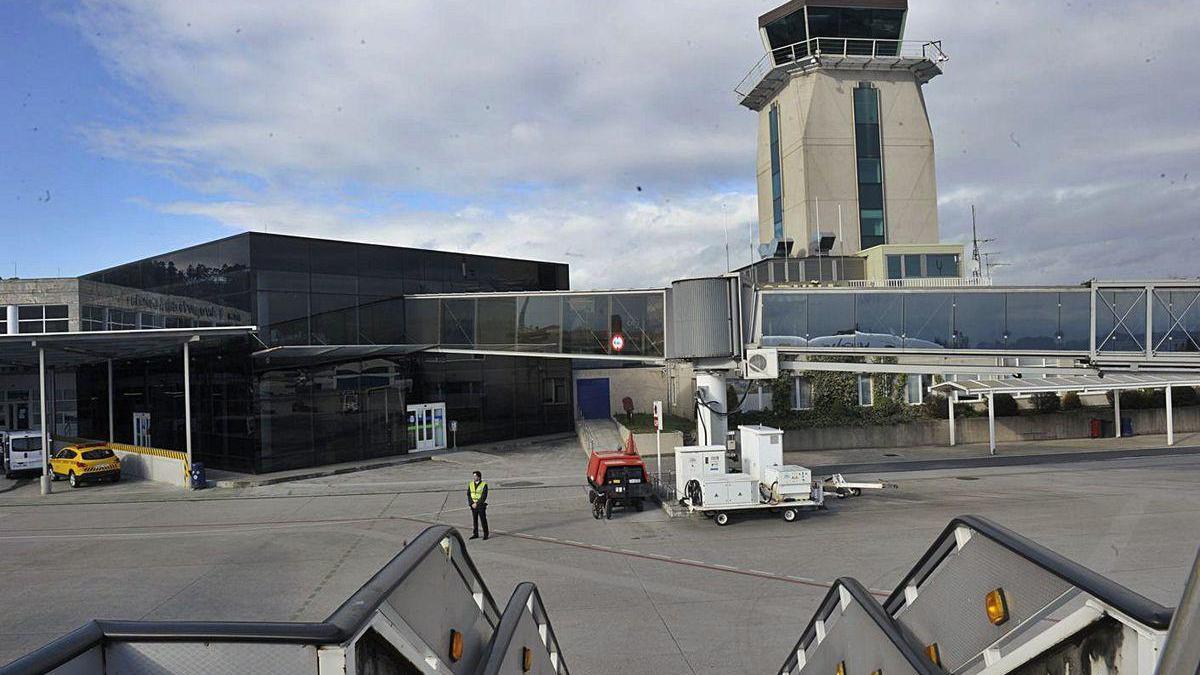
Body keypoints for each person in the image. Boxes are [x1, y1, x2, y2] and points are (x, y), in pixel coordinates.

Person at [467, 470, 489, 540]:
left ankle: (486, 534)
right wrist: (471, 503)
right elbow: (468, 494)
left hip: (480, 505)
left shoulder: (484, 485)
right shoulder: (471, 484)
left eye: (475, 476)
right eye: (473, 476)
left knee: (483, 520)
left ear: (479, 477)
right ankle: (475, 534)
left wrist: (477, 503)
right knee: (475, 520)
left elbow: (484, 496)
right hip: (473, 505)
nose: (474, 477)